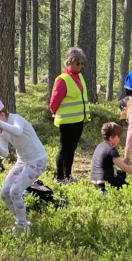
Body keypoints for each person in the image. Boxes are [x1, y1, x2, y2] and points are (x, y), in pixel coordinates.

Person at [0, 98, 47, 237]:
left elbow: (17, 131)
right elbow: (5, 153)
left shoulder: (17, 119)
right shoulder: (2, 129)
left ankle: (22, 226)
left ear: (2, 115)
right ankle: (21, 220)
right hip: (22, 161)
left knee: (16, 191)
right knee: (5, 192)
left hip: (37, 160)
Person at [48, 46, 89, 183]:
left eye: (82, 63)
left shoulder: (80, 77)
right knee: (64, 149)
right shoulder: (63, 79)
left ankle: (68, 175)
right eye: (78, 63)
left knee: (72, 148)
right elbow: (54, 100)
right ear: (69, 62)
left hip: (78, 119)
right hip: (67, 121)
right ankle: (59, 177)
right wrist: (53, 112)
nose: (80, 66)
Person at [90, 121, 132, 192]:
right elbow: (124, 167)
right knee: (129, 191)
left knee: (121, 173)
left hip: (96, 181)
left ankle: (102, 192)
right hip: (106, 181)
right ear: (111, 137)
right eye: (118, 136)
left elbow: (119, 162)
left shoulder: (100, 146)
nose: (119, 139)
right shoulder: (111, 150)